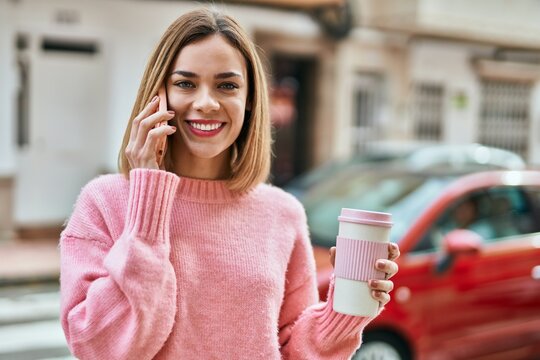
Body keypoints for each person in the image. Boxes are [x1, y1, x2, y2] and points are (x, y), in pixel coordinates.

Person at [59, 7, 400, 360]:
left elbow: (292, 349)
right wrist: (148, 200)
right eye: (185, 83)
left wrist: (347, 311)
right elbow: (99, 348)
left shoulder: (282, 213)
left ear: (250, 100)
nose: (206, 103)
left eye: (227, 85)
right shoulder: (104, 202)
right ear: (157, 95)